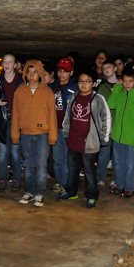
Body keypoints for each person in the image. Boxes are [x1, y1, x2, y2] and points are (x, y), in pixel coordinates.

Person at [58, 69, 111, 208]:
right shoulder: (74, 96)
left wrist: (104, 138)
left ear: (93, 83)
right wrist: (66, 132)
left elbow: (106, 118)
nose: (84, 84)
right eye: (81, 81)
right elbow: (68, 115)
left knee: (89, 171)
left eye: (87, 81)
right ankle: (71, 191)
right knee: (72, 168)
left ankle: (92, 195)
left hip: (90, 141)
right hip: (73, 139)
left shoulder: (98, 99)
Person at [11, 60, 57, 207]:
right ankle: (30, 192)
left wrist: (53, 135)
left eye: (35, 72)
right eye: (29, 73)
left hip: (43, 134)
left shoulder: (47, 92)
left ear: (40, 74)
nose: (32, 76)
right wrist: (15, 134)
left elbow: (52, 115)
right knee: (29, 165)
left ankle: (40, 193)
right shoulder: (20, 92)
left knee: (41, 165)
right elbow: (16, 114)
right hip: (26, 134)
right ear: (25, 74)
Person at [107, 67, 134, 198]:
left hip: (131, 139)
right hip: (117, 136)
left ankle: (129, 188)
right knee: (118, 163)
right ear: (121, 81)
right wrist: (117, 88)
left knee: (130, 165)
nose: (127, 83)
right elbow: (111, 104)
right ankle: (119, 185)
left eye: (130, 81)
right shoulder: (120, 94)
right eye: (124, 81)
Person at [0, 54, 23, 192]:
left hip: (17, 121)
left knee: (15, 153)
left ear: (15, 64)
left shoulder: (22, 82)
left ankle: (16, 180)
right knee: (3, 153)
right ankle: (2, 179)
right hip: (2, 121)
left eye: (10, 62)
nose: (7, 64)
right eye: (5, 62)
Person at [50, 56, 78, 193]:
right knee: (57, 157)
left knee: (68, 158)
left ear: (71, 72)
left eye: (65, 71)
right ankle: (60, 182)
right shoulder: (52, 87)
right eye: (60, 71)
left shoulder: (75, 88)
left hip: (69, 129)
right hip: (55, 127)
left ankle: (68, 183)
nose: (62, 74)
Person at [95, 59, 119, 188]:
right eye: (104, 68)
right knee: (103, 155)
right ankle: (100, 179)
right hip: (105, 125)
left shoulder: (122, 86)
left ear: (115, 68)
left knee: (117, 155)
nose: (106, 69)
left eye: (109, 66)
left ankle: (115, 179)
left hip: (119, 125)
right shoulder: (102, 87)